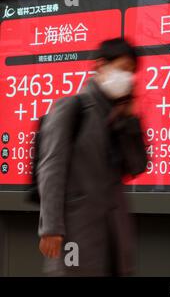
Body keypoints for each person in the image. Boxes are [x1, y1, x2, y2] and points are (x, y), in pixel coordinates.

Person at [37, 38, 147, 276]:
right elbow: (51, 167)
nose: (128, 77)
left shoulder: (119, 117)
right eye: (123, 68)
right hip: (78, 232)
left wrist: (130, 121)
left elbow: (137, 166)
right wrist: (51, 228)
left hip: (115, 235)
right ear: (100, 65)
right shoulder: (72, 108)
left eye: (131, 72)